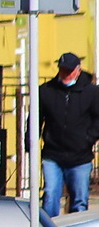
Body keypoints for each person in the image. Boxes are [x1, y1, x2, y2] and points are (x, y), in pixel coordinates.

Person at [39, 52, 99, 216]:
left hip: (80, 157)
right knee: (50, 195)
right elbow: (36, 118)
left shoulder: (91, 92)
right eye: (62, 70)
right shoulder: (46, 91)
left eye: (69, 70)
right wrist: (30, 141)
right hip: (53, 154)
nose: (65, 74)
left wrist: (88, 139)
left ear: (78, 70)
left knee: (79, 200)